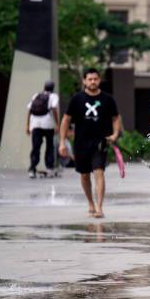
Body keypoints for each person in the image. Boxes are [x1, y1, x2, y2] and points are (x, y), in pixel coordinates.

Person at [59, 68, 121, 218]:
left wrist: (115, 134)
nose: (93, 81)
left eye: (95, 79)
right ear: (84, 81)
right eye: (90, 79)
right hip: (80, 143)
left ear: (99, 80)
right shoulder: (77, 99)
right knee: (85, 175)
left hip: (100, 143)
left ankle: (99, 207)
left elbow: (116, 118)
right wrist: (62, 142)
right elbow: (66, 119)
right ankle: (90, 204)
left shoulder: (107, 99)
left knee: (99, 172)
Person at [26, 80, 60, 178]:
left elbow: (29, 110)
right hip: (48, 124)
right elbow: (54, 108)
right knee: (49, 147)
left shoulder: (36, 95)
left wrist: (27, 126)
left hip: (35, 125)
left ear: (44, 87)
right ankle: (49, 169)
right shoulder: (53, 96)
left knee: (35, 147)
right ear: (53, 88)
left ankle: (32, 169)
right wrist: (57, 124)